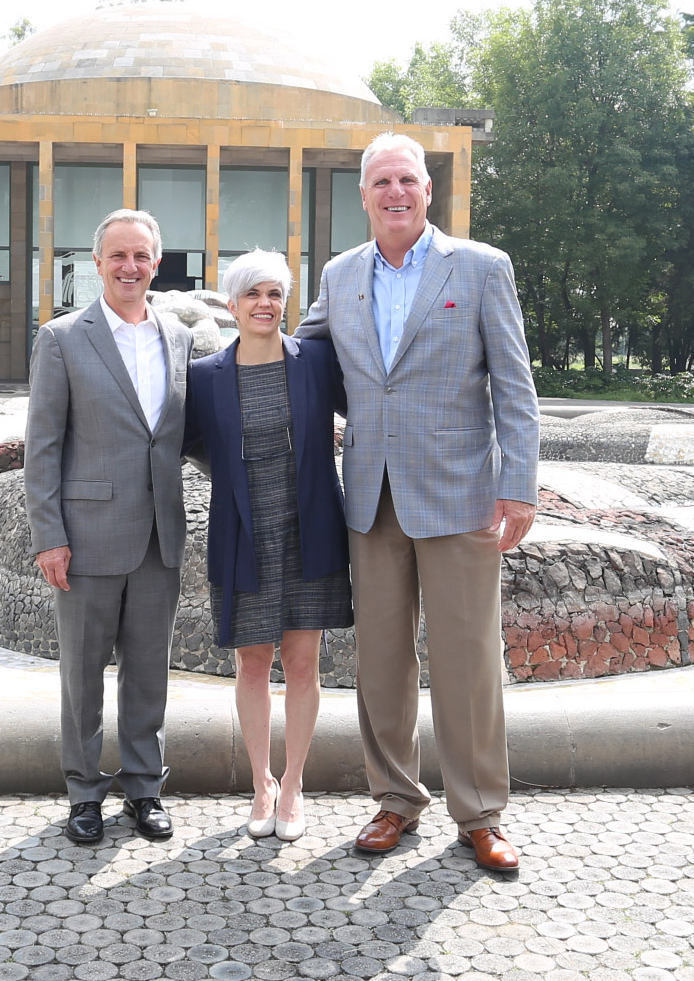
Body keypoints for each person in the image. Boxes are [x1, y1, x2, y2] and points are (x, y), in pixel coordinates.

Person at [294, 133, 539, 871]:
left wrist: (518, 483)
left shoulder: (481, 267)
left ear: (427, 191)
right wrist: (216, 380)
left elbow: (513, 384)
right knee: (381, 661)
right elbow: (301, 361)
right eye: (380, 183)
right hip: (369, 497)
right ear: (363, 196)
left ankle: (480, 813)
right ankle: (394, 800)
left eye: (406, 180)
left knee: (466, 659)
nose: (394, 193)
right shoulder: (339, 276)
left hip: (460, 492)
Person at [25, 208, 194, 844]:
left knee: (150, 669)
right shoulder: (63, 338)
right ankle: (83, 792)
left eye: (141, 256)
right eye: (117, 255)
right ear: (97, 263)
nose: (130, 266)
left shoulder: (176, 337)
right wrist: (50, 535)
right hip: (87, 534)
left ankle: (145, 789)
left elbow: (181, 434)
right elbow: (41, 445)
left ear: (157, 262)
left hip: (159, 533)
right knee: (82, 673)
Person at [184, 250, 352, 841]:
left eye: (275, 294)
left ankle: (295, 783)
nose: (265, 304)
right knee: (252, 662)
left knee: (304, 663)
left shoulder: (315, 364)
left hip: (311, 528)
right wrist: (235, 474)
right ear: (231, 305)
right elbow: (194, 444)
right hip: (241, 531)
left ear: (287, 303)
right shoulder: (205, 377)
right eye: (252, 294)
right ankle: (261, 783)